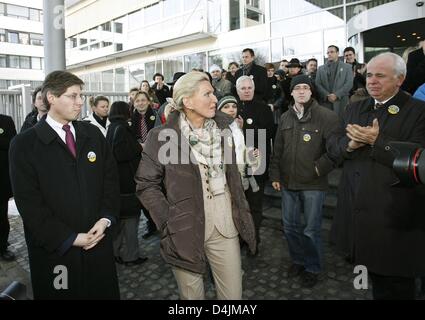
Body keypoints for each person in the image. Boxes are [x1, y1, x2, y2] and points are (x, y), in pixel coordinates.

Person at [135, 71, 256, 300]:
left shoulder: (226, 129)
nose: (214, 99)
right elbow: (146, 184)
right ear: (187, 101)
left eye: (214, 93)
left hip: (225, 225)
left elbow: (239, 171)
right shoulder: (162, 136)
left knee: (233, 297)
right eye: (207, 94)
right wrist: (167, 220)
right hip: (184, 229)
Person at [9, 70, 120, 299]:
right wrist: (68, 238)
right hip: (56, 254)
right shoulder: (24, 145)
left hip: (98, 244)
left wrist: (105, 218)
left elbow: (110, 181)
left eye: (81, 95)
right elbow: (29, 204)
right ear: (51, 97)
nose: (80, 102)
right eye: (73, 96)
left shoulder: (92, 134)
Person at [330, 52, 425, 300]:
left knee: (396, 288)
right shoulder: (354, 108)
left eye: (380, 76)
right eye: (369, 75)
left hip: (394, 223)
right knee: (367, 280)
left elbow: (420, 161)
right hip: (357, 217)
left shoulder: (418, 111)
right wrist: (349, 146)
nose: (372, 80)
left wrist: (377, 142)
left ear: (400, 79)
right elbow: (333, 145)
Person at [269, 75, 339, 288]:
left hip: (313, 184)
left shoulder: (327, 116)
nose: (301, 91)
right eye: (296, 88)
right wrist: (275, 175)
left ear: (311, 91)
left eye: (305, 88)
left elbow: (335, 152)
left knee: (310, 229)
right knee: (290, 227)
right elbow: (278, 149)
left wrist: (318, 168)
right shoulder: (285, 118)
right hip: (288, 182)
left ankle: (312, 266)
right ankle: (298, 261)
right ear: (290, 92)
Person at [106, 101, 148, 266]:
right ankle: (131, 256)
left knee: (119, 221)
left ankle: (115, 252)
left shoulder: (112, 127)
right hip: (128, 180)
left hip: (117, 181)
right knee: (131, 220)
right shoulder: (122, 128)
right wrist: (139, 147)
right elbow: (123, 152)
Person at [236, 76, 274, 253]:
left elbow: (268, 134)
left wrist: (245, 129)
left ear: (253, 88)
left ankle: (254, 241)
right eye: (242, 88)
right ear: (237, 90)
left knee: (255, 206)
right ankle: (242, 238)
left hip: (257, 164)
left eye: (249, 87)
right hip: (236, 166)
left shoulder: (264, 108)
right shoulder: (231, 108)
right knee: (239, 205)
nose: (246, 90)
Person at [130, 91, 158, 239]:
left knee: (159, 190)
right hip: (138, 159)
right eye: (137, 101)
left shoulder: (156, 115)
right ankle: (151, 223)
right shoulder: (130, 118)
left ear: (148, 101)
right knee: (142, 191)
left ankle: (162, 221)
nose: (140, 103)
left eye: (143, 100)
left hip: (156, 157)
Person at [315, 45, 353, 116]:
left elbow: (349, 83)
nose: (329, 54)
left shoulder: (347, 67)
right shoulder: (320, 69)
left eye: (332, 52)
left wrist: (337, 95)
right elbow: (317, 84)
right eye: (328, 52)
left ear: (337, 53)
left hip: (342, 102)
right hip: (325, 103)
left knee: (342, 124)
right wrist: (327, 95)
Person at [0, 114, 17, 261]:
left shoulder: (5, 121)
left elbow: (12, 143)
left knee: (1, 217)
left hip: (1, 182)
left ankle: (2, 247)